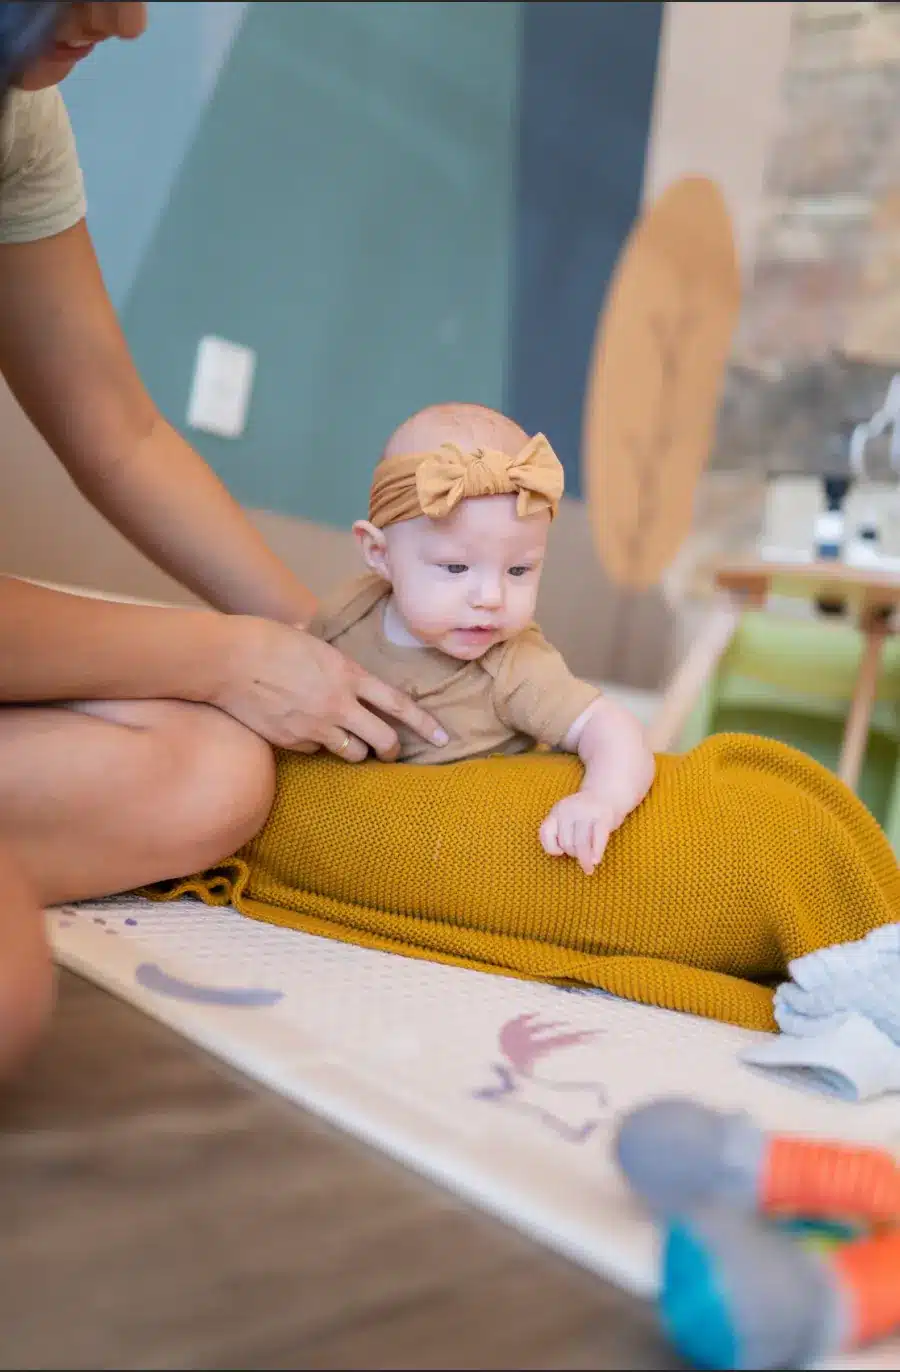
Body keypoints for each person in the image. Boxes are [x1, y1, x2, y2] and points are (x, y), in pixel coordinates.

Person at [0, 1, 446, 1075]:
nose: (132, 21)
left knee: (217, 775)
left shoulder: (20, 122)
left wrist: (323, 642)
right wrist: (230, 655)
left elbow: (120, 433)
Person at [310, 402, 656, 876]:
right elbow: (292, 672)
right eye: (455, 567)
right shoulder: (347, 613)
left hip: (468, 842)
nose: (491, 597)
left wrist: (601, 801)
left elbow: (613, 729)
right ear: (379, 553)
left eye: (519, 569)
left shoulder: (515, 664)